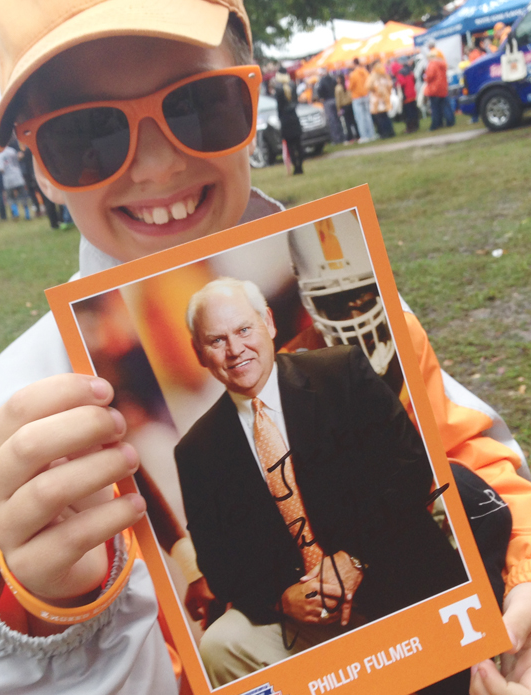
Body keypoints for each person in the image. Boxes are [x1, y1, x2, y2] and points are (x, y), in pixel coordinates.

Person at [0, 3, 531, 695]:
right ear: (38, 165)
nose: (158, 165)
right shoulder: (11, 424)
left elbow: (457, 454)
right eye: (86, 134)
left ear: (252, 98)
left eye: (200, 105)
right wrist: (42, 609)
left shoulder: (352, 315)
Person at [176, 278, 470, 690]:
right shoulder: (196, 451)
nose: (235, 349)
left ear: (268, 323)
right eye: (216, 340)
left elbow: (410, 470)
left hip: (389, 576)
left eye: (244, 330)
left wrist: (355, 559)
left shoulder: (342, 372)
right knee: (221, 643)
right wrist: (281, 598)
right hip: (299, 619)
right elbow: (220, 566)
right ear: (199, 353)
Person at [272, 68, 304, 175]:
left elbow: (279, 107)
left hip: (285, 119)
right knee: (298, 144)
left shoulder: (278, 88)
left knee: (290, 145)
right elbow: (296, 101)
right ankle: (301, 165)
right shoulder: (292, 85)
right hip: (294, 117)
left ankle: (295, 166)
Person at [0, 144, 31, 220]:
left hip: (8, 178)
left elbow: (1, 168)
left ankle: (16, 213)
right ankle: (27, 214)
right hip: (17, 175)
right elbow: (18, 159)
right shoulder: (12, 151)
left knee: (11, 197)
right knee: (23, 196)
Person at [426, 49, 455, 130]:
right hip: (443, 87)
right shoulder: (442, 64)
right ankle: (450, 121)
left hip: (434, 88)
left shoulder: (432, 64)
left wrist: (425, 77)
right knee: (445, 106)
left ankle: (436, 124)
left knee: (435, 108)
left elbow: (429, 76)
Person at [348, 58, 376, 142]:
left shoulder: (353, 74)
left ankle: (364, 136)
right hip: (366, 95)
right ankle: (371, 134)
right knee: (368, 116)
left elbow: (350, 87)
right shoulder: (365, 72)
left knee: (360, 118)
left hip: (357, 97)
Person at [314, 69, 344, 145]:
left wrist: (321, 97)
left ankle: (336, 139)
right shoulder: (332, 79)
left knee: (332, 120)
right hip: (335, 99)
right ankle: (342, 137)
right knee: (337, 119)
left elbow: (319, 90)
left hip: (327, 101)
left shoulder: (321, 81)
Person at [366, 60, 395, 139]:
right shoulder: (385, 74)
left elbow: (368, 86)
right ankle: (391, 132)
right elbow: (390, 85)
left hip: (376, 99)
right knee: (385, 116)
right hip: (385, 97)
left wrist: (374, 91)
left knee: (380, 117)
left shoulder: (373, 75)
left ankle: (384, 133)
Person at [397, 62, 421, 133]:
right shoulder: (410, 71)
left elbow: (402, 83)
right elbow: (415, 80)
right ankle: (416, 125)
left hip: (406, 95)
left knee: (408, 113)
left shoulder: (400, 73)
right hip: (413, 94)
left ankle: (410, 128)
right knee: (414, 111)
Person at [335, 74, 358, 142]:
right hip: (350, 104)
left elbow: (338, 99)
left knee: (347, 123)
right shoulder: (347, 84)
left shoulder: (338, 87)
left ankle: (350, 137)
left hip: (344, 106)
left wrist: (338, 108)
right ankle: (357, 135)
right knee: (353, 121)